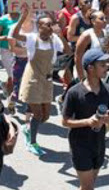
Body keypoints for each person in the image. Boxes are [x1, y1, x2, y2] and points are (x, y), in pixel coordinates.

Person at [12, 9, 72, 156]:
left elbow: (68, 52)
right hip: (32, 80)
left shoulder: (54, 40)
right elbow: (15, 35)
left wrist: (60, 35)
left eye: (51, 24)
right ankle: (32, 142)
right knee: (37, 114)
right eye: (48, 25)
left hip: (47, 80)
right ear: (39, 26)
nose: (51, 27)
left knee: (45, 116)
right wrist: (22, 19)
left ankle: (27, 128)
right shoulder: (32, 38)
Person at [62, 49, 109, 190]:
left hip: (99, 144)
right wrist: (88, 121)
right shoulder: (74, 92)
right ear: (90, 68)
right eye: (102, 64)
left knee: (88, 188)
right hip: (80, 144)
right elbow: (65, 121)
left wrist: (107, 121)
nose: (107, 67)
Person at [0, 12, 19, 98]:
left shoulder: (24, 17)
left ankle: (7, 85)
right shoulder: (2, 20)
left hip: (20, 49)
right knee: (12, 73)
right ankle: (11, 97)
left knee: (17, 72)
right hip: (6, 49)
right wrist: (3, 38)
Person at [75, 11, 107, 81]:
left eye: (105, 18)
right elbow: (78, 57)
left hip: (100, 72)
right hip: (88, 73)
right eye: (101, 19)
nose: (105, 21)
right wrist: (81, 77)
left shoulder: (106, 33)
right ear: (93, 21)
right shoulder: (86, 35)